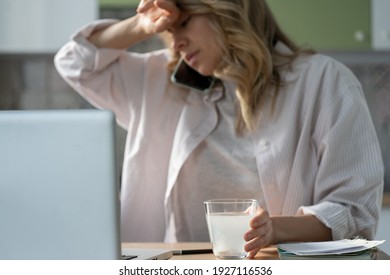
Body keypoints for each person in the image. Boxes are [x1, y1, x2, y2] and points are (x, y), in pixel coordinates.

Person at [54, 0, 384, 258]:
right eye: (168, 28)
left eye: (184, 22)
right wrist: (140, 24)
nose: (176, 40)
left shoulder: (324, 82)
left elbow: (354, 213)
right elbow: (73, 63)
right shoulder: (157, 79)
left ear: (228, 10)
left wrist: (275, 229)